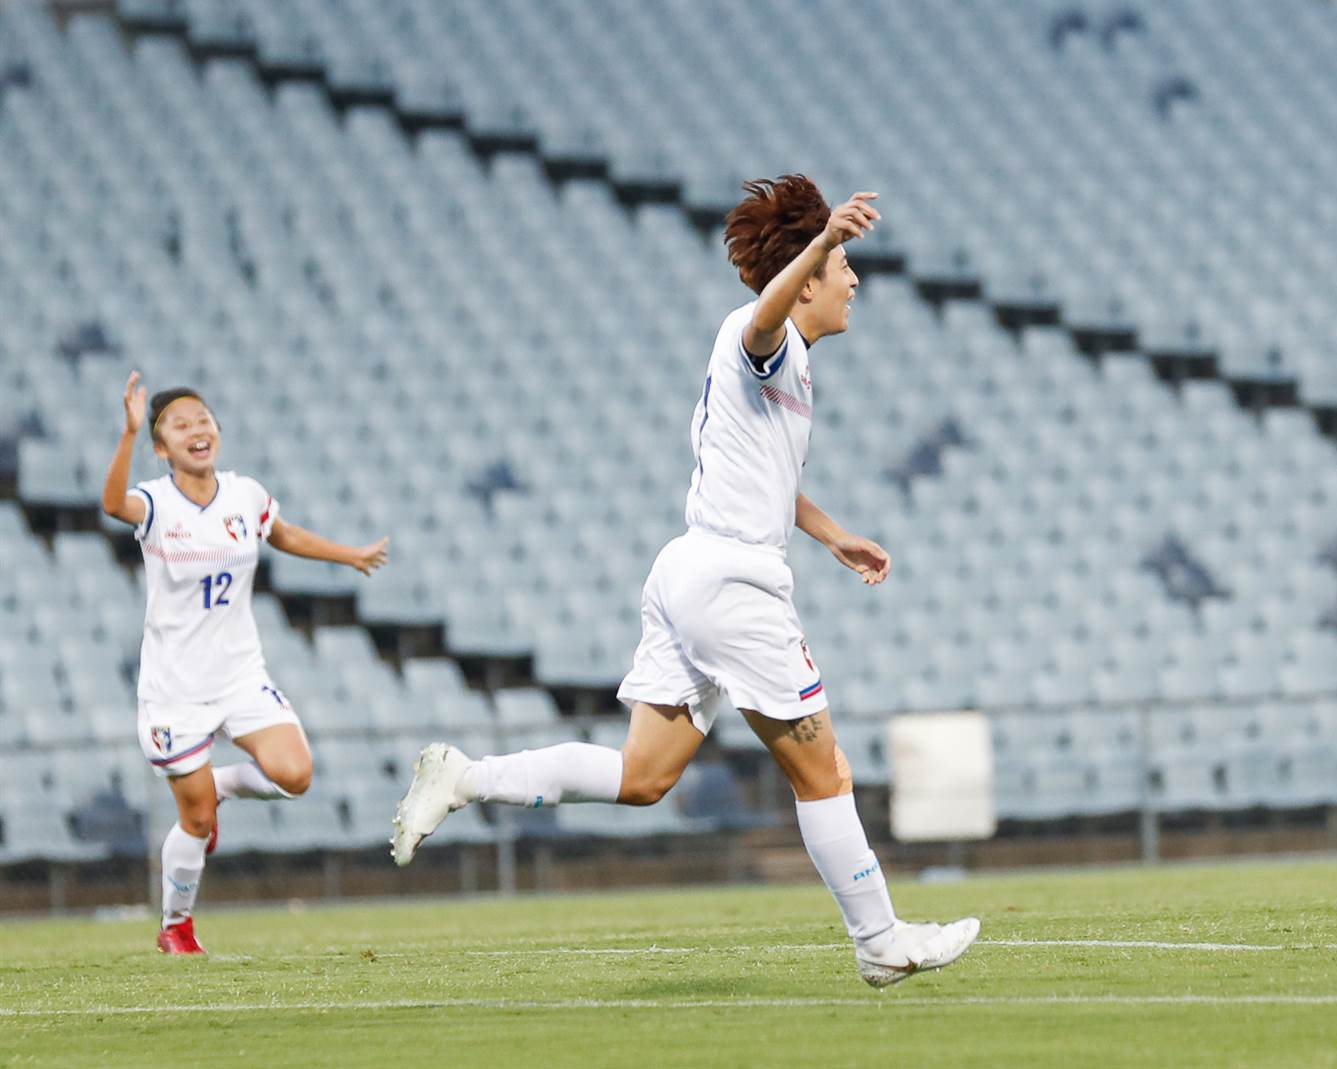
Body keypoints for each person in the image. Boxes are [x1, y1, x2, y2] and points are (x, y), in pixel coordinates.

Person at [389, 177, 979, 989]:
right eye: (842, 266)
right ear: (809, 276)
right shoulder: (760, 333)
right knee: (825, 772)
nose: (853, 281)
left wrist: (835, 535)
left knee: (644, 777)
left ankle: (466, 776)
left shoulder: (787, 371)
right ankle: (879, 938)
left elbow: (769, 478)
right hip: (732, 582)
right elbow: (768, 315)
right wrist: (821, 236)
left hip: (691, 571)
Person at [100, 374, 390, 954]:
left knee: (295, 775)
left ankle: (223, 785)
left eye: (203, 419)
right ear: (162, 447)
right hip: (174, 692)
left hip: (239, 676)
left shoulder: (244, 495)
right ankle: (176, 927)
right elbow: (112, 503)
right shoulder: (156, 503)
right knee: (198, 821)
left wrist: (348, 554)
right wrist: (128, 434)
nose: (196, 430)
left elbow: (280, 534)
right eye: (179, 425)